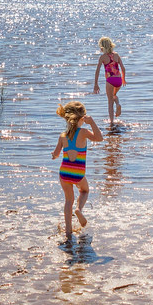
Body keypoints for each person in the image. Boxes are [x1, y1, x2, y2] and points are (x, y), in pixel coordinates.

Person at [51, 101, 104, 239]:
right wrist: (92, 122)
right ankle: (79, 210)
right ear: (82, 118)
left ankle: (68, 232)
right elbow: (100, 138)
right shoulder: (84, 132)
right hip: (78, 173)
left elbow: (56, 154)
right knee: (84, 190)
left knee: (68, 200)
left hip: (64, 172)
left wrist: (54, 155)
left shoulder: (63, 136)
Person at [93, 37, 127, 123]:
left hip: (110, 80)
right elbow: (123, 68)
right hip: (118, 80)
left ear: (102, 47)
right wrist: (123, 79)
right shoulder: (116, 55)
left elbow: (97, 71)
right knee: (113, 95)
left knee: (110, 102)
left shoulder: (103, 57)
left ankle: (111, 121)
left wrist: (96, 84)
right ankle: (118, 104)